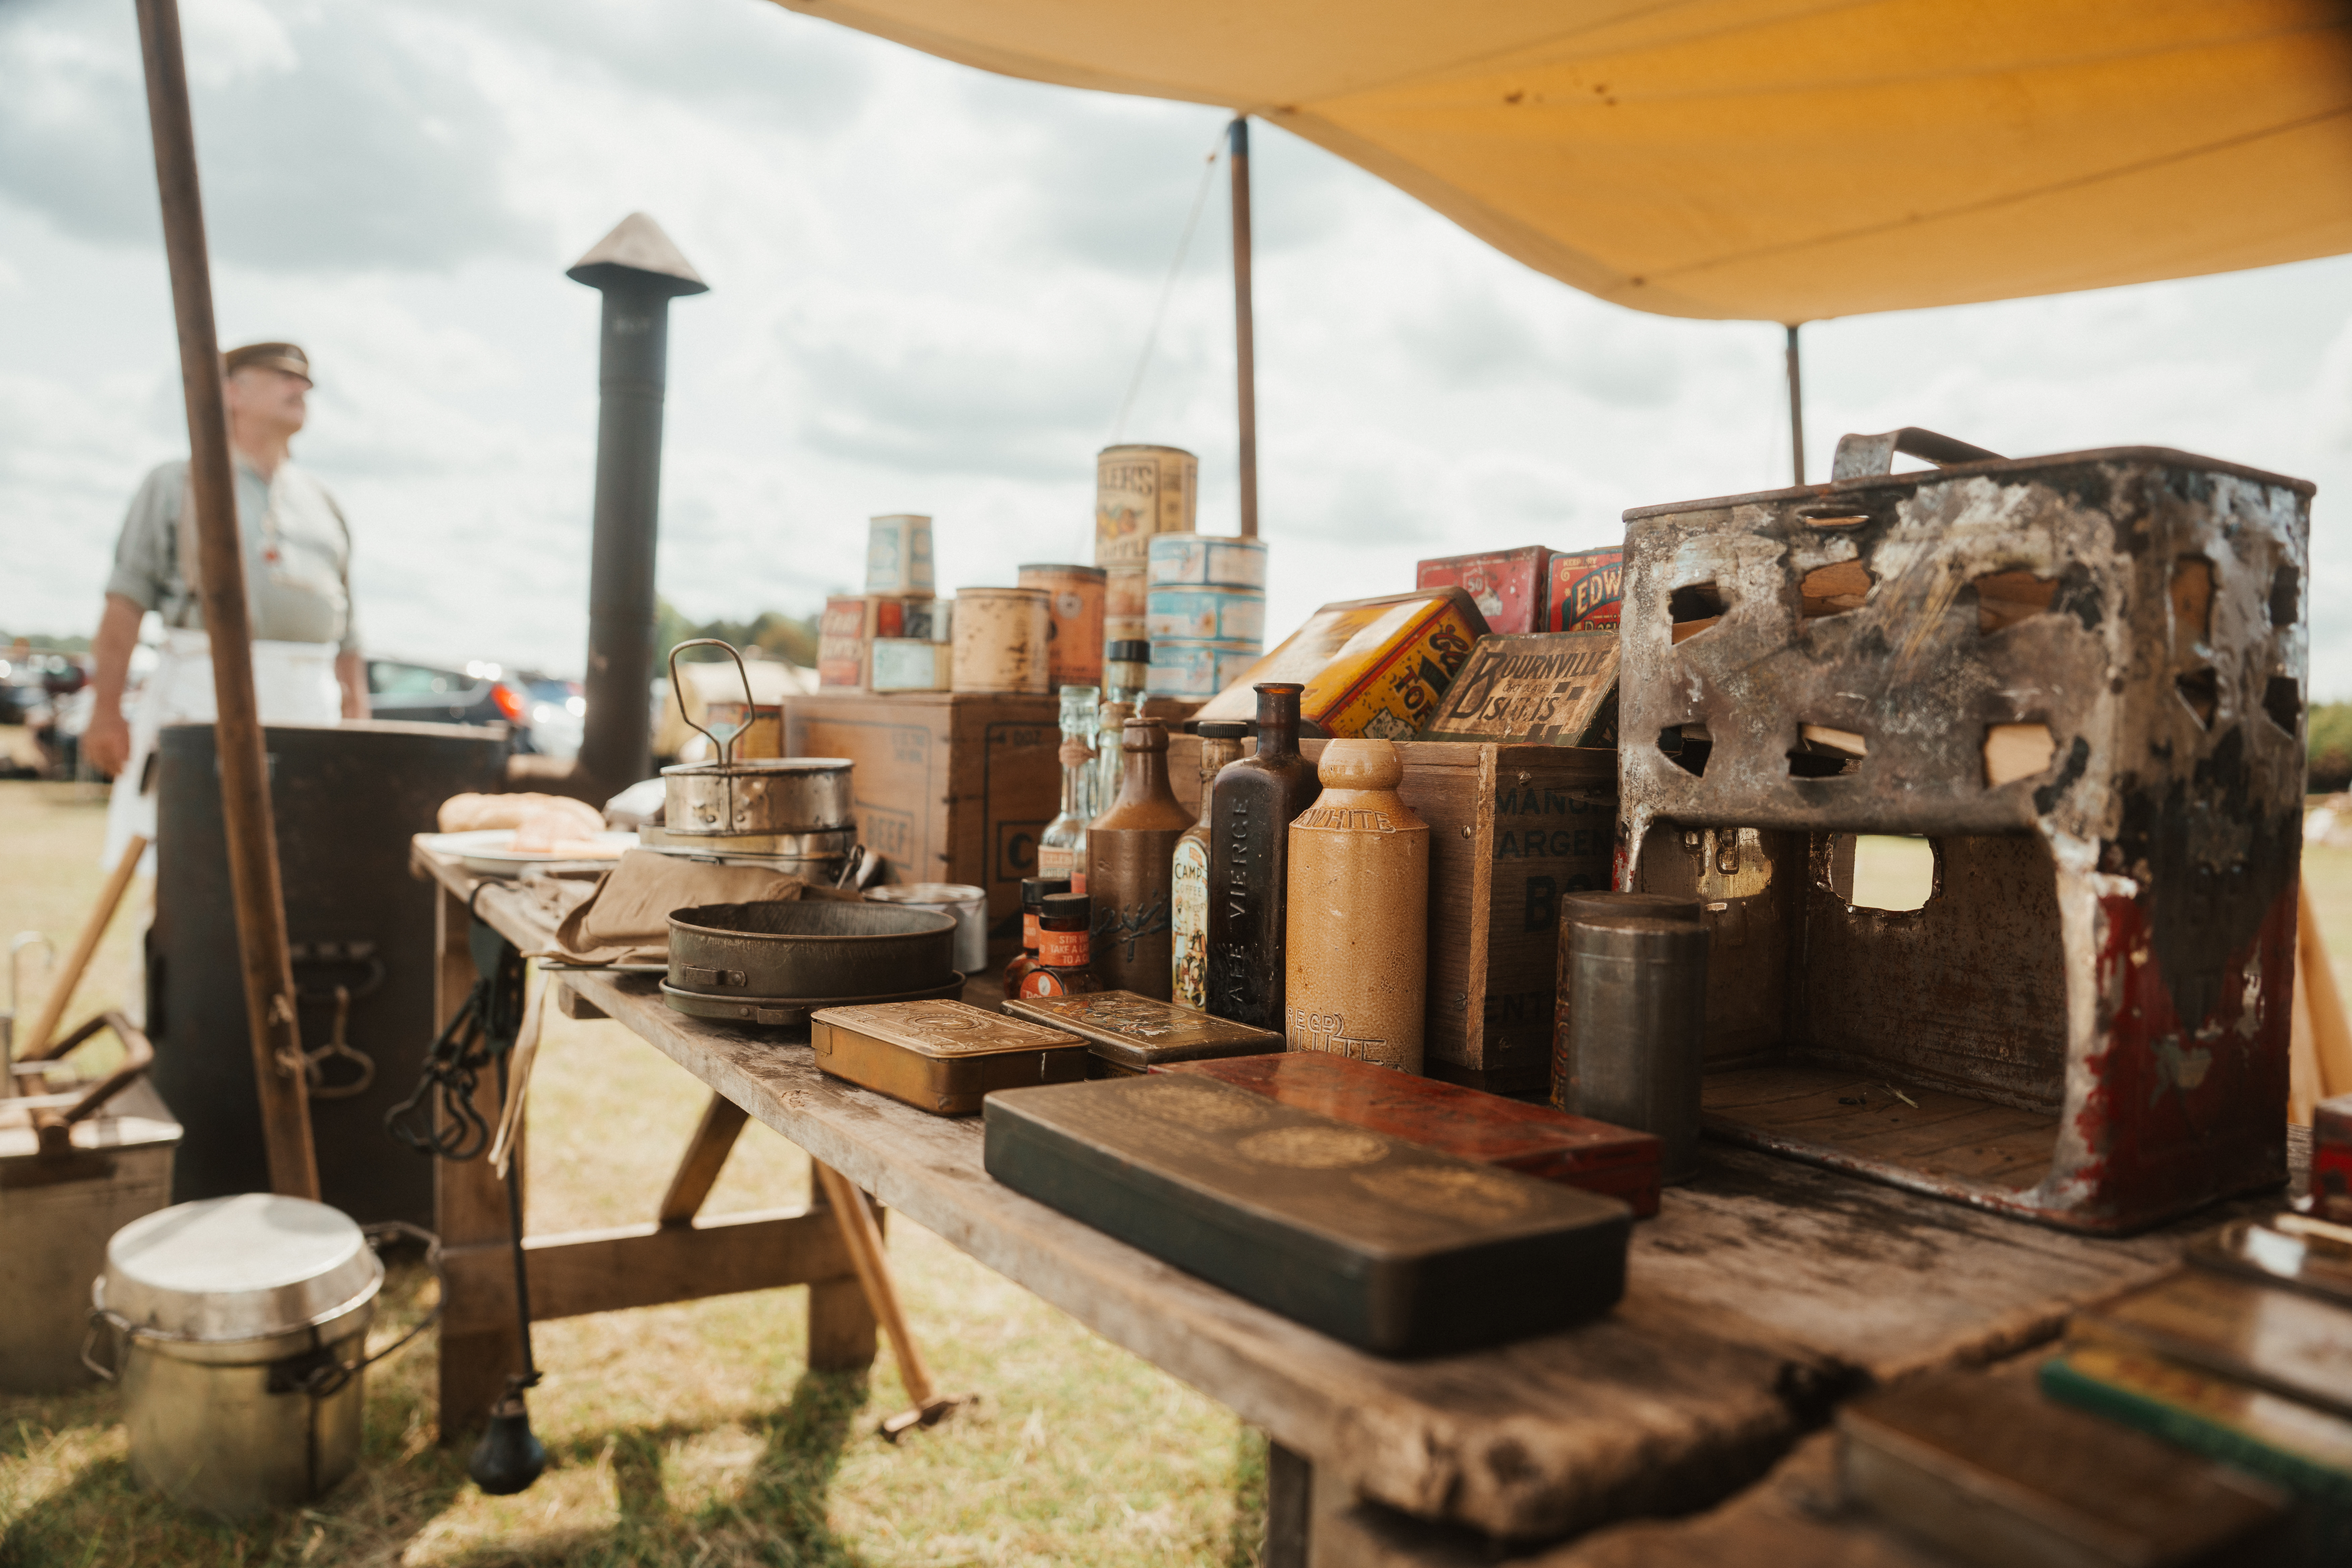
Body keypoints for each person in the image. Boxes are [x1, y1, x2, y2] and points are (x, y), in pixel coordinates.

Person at [88, 341, 365, 870]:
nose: (301, 389)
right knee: (189, 867)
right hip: (202, 695)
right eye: (281, 377)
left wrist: (357, 724)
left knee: (304, 864)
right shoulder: (176, 482)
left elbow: (349, 633)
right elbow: (125, 603)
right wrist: (106, 711)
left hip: (307, 705)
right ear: (231, 391)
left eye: (305, 381)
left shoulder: (323, 501)